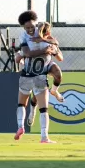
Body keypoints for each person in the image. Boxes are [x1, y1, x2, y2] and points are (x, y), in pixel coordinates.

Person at [15, 10, 58, 143]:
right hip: (39, 76)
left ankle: (20, 126)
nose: (29, 30)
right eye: (27, 27)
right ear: (23, 27)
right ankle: (44, 137)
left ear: (36, 24)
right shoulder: (44, 36)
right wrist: (46, 49)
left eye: (32, 27)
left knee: (21, 104)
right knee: (44, 108)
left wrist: (22, 55)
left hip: (27, 74)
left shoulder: (27, 38)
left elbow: (26, 54)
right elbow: (55, 45)